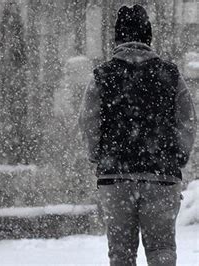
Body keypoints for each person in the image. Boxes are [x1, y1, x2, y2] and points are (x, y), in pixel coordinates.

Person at [79, 5, 196, 266]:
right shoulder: (171, 75)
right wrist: (176, 155)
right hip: (161, 176)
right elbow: (187, 121)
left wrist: (98, 155)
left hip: (115, 176)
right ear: (148, 37)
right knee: (162, 249)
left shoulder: (102, 76)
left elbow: (88, 122)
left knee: (121, 254)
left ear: (118, 38)